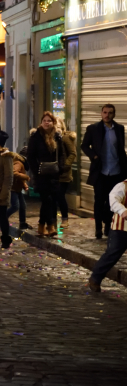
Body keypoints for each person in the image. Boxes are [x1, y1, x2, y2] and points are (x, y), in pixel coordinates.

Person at [81, 104, 127, 239]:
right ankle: (98, 228)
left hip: (116, 171)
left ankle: (108, 227)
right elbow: (84, 145)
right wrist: (94, 156)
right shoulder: (93, 128)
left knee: (111, 201)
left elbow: (121, 149)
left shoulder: (119, 128)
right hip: (100, 172)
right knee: (99, 201)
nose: (107, 115)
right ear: (101, 113)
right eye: (105, 112)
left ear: (114, 114)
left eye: (110, 113)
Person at [27, 112, 66, 237]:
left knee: (51, 200)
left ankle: (41, 225)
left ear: (53, 122)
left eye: (49, 120)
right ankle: (49, 225)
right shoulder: (36, 136)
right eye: (44, 120)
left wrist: (60, 168)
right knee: (46, 199)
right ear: (41, 122)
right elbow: (30, 156)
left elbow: (62, 154)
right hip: (41, 174)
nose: (46, 122)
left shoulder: (57, 136)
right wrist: (36, 170)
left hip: (54, 173)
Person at [88, 179, 127, 292]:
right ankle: (95, 278)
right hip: (121, 228)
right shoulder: (122, 186)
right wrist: (122, 210)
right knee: (112, 254)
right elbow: (113, 199)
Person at [57, 117, 77, 228]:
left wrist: (65, 165)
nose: (56, 128)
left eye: (58, 126)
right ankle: (52, 220)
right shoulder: (51, 138)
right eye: (55, 126)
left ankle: (65, 219)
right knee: (53, 197)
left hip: (64, 174)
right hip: (53, 173)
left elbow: (73, 153)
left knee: (60, 196)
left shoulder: (65, 138)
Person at [9, 152, 30, 229]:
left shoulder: (18, 162)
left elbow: (18, 177)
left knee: (22, 206)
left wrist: (24, 185)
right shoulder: (18, 163)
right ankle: (2, 218)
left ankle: (22, 223)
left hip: (16, 188)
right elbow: (14, 173)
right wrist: (26, 177)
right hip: (13, 188)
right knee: (15, 206)